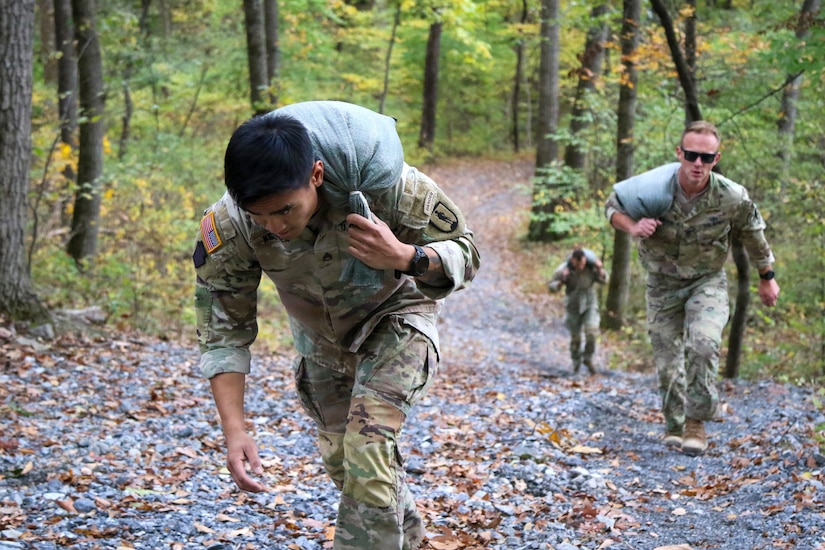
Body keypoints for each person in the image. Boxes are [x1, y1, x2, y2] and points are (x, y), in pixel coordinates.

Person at [192, 100, 480, 549]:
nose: (273, 225)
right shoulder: (230, 227)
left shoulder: (390, 189)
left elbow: (466, 252)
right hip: (320, 343)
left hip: (396, 321)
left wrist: (406, 256)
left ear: (317, 175)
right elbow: (224, 330)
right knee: (347, 463)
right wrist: (235, 430)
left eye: (284, 210)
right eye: (259, 215)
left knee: (367, 449)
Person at [604, 120, 779, 456]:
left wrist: (767, 277)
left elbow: (754, 235)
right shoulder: (653, 187)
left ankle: (696, 422)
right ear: (679, 153)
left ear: (716, 158)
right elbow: (612, 207)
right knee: (668, 357)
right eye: (692, 155)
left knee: (702, 343)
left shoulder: (731, 196)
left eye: (706, 157)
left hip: (707, 281)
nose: (698, 164)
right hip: (662, 282)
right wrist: (633, 226)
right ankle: (674, 423)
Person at [547, 247, 607, 374]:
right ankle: (576, 362)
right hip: (573, 304)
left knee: (592, 332)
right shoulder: (564, 269)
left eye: (583, 264)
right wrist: (561, 281)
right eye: (578, 264)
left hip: (590, 302)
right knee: (575, 337)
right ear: (573, 260)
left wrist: (600, 269)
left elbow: (604, 280)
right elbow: (551, 287)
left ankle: (588, 358)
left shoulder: (591, 268)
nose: (580, 267)